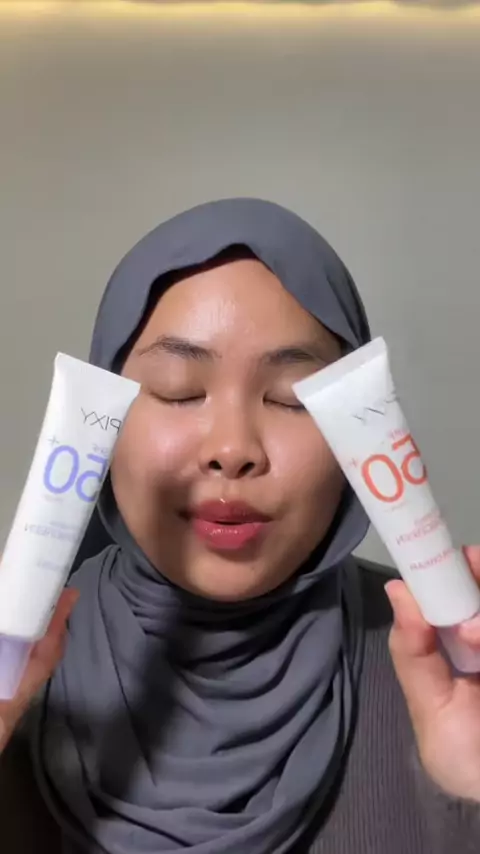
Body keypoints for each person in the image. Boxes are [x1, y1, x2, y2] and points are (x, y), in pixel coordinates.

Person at [1, 198, 480, 854]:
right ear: (107, 423)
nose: (232, 448)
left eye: (290, 398)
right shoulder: (19, 669)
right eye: (179, 390)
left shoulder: (442, 670)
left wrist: (469, 795)